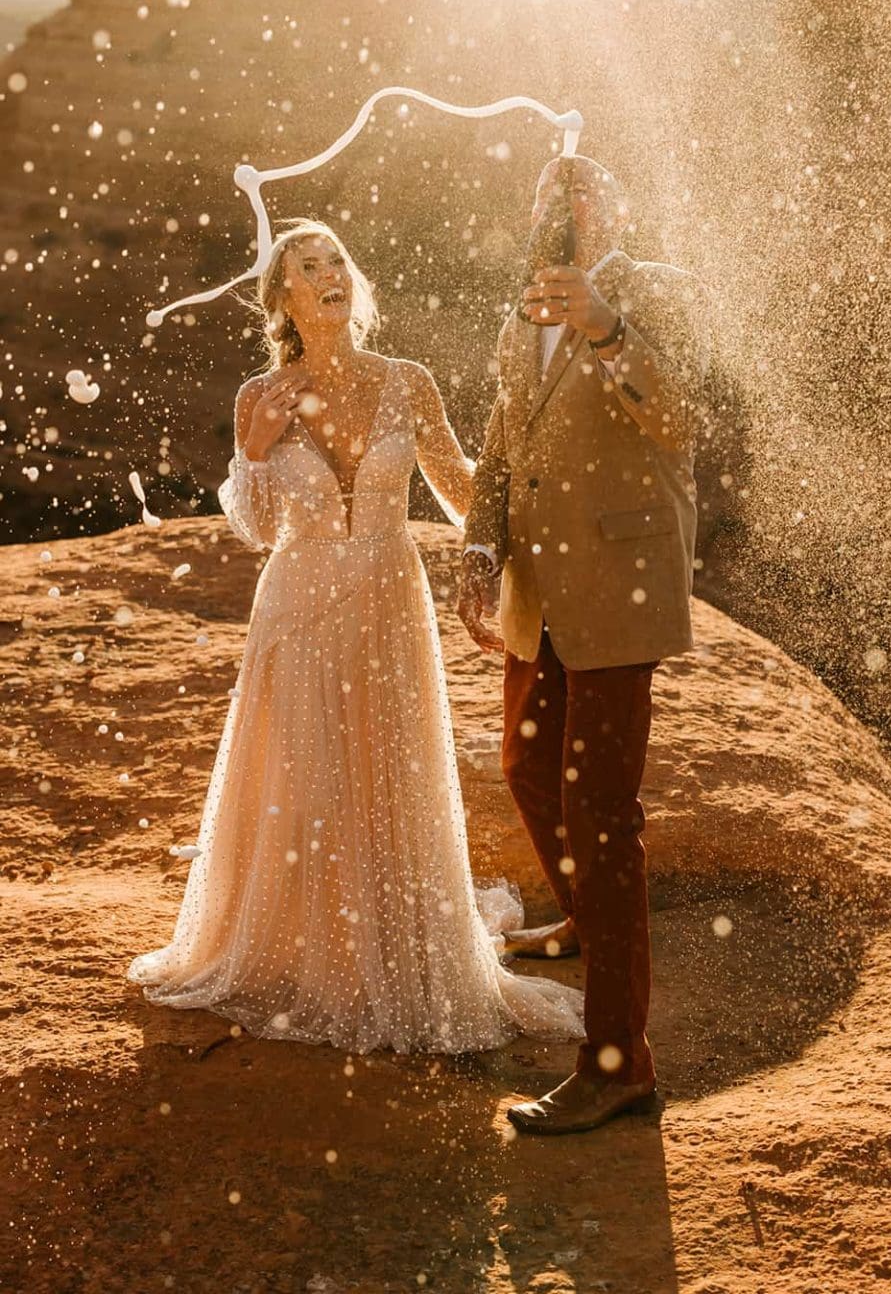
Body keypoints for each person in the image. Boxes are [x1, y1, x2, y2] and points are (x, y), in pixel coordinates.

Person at [126, 218, 584, 1056]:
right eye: (307, 265)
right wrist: (255, 453)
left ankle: (394, 945)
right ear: (283, 298)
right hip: (296, 603)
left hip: (387, 601)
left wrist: (540, 471)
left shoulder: (408, 382)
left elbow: (462, 492)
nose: (328, 272)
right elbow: (261, 530)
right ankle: (316, 953)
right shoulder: (257, 399)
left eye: (338, 258)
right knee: (303, 771)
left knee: (387, 765)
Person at [458, 159, 707, 1133]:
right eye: (543, 198)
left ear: (615, 210)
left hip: (617, 590)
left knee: (599, 813)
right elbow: (500, 441)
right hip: (540, 598)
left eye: (579, 196)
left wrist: (605, 324)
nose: (557, 212)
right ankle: (592, 924)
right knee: (525, 768)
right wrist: (482, 544)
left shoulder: (655, 297)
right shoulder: (521, 311)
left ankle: (616, 1064)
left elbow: (682, 421)